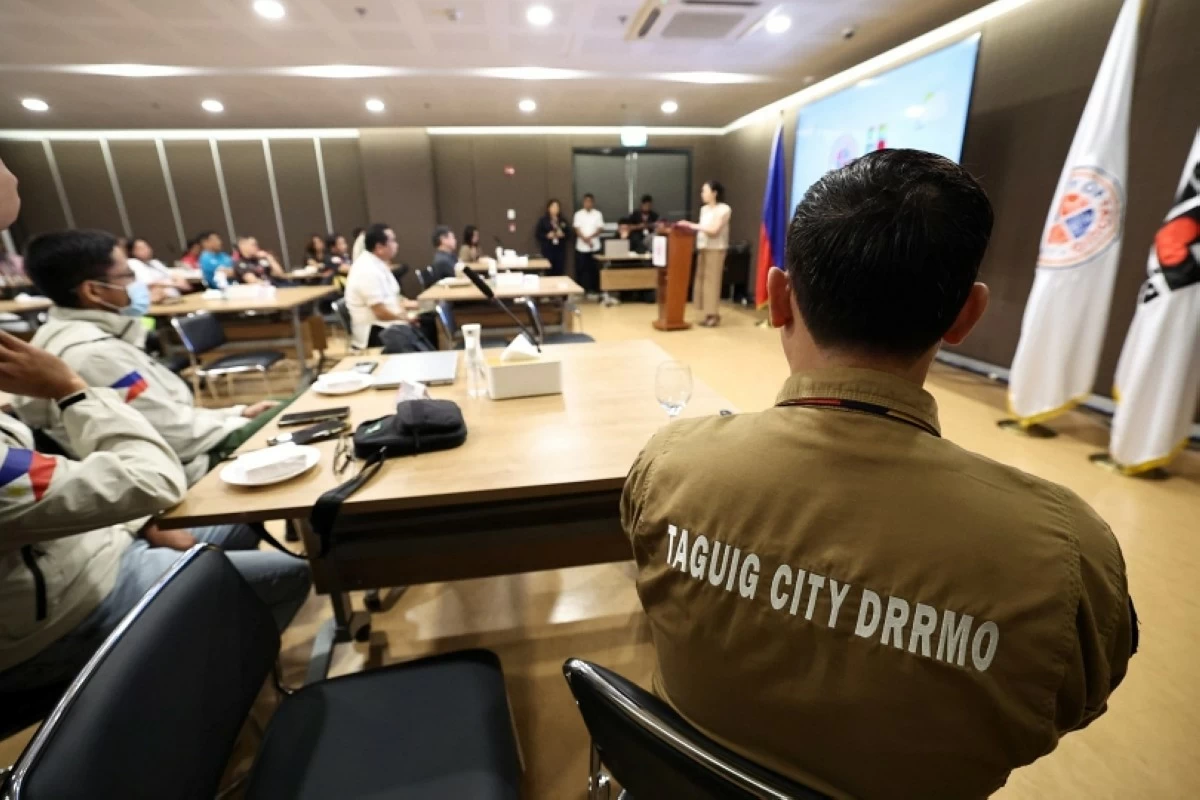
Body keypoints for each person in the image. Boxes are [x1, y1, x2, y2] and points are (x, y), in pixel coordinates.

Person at [621, 150, 1135, 799]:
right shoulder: (1069, 557)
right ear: (965, 315)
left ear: (778, 297)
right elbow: (1072, 703)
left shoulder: (668, 464)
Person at [0, 331, 310, 692]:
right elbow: (155, 474)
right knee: (286, 572)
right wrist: (71, 389)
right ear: (94, 298)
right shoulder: (88, 354)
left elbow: (66, 484)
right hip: (62, 613)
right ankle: (212, 698)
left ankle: (214, 643)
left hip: (101, 541)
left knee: (242, 517)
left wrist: (139, 520)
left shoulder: (100, 337)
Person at [13, 230, 281, 486]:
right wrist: (238, 422)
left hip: (187, 450)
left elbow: (165, 415)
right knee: (291, 413)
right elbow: (174, 436)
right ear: (94, 291)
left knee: (288, 410)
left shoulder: (80, 337)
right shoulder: (93, 355)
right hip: (188, 468)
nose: (138, 285)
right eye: (128, 275)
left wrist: (235, 412)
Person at [344, 223, 417, 350]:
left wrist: (419, 305)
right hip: (375, 332)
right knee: (424, 329)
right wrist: (405, 318)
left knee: (427, 320)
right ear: (379, 248)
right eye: (393, 241)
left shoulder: (378, 264)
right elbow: (380, 313)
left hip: (389, 325)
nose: (396, 245)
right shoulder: (366, 270)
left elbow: (394, 297)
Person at [677, 180, 731, 327]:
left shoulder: (724, 209)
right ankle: (706, 313)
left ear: (714, 193)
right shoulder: (704, 209)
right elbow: (703, 228)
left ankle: (713, 314)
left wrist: (691, 225)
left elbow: (714, 230)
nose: (702, 194)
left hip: (716, 249)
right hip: (703, 248)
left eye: (705, 191)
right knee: (702, 280)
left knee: (712, 281)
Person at [127, 237, 190, 301]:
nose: (147, 250)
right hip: (159, 300)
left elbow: (171, 274)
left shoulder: (155, 262)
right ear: (132, 252)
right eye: (141, 248)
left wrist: (179, 279)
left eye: (147, 247)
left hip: (175, 297)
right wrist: (175, 284)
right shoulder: (133, 263)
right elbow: (149, 283)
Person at [573, 193, 604, 298]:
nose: (588, 203)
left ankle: (594, 290)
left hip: (595, 246)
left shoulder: (598, 214)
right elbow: (577, 229)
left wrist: (590, 238)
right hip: (581, 247)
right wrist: (585, 239)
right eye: (586, 201)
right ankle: (581, 290)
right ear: (583, 202)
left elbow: (600, 228)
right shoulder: (578, 214)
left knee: (594, 270)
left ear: (593, 203)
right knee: (581, 269)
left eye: (590, 201)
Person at [535, 199, 569, 277]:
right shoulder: (543, 220)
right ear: (548, 208)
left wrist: (563, 234)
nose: (555, 209)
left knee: (559, 272)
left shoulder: (562, 220)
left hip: (560, 250)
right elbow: (538, 234)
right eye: (553, 207)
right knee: (548, 272)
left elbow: (568, 234)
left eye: (557, 207)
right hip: (548, 250)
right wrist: (547, 235)